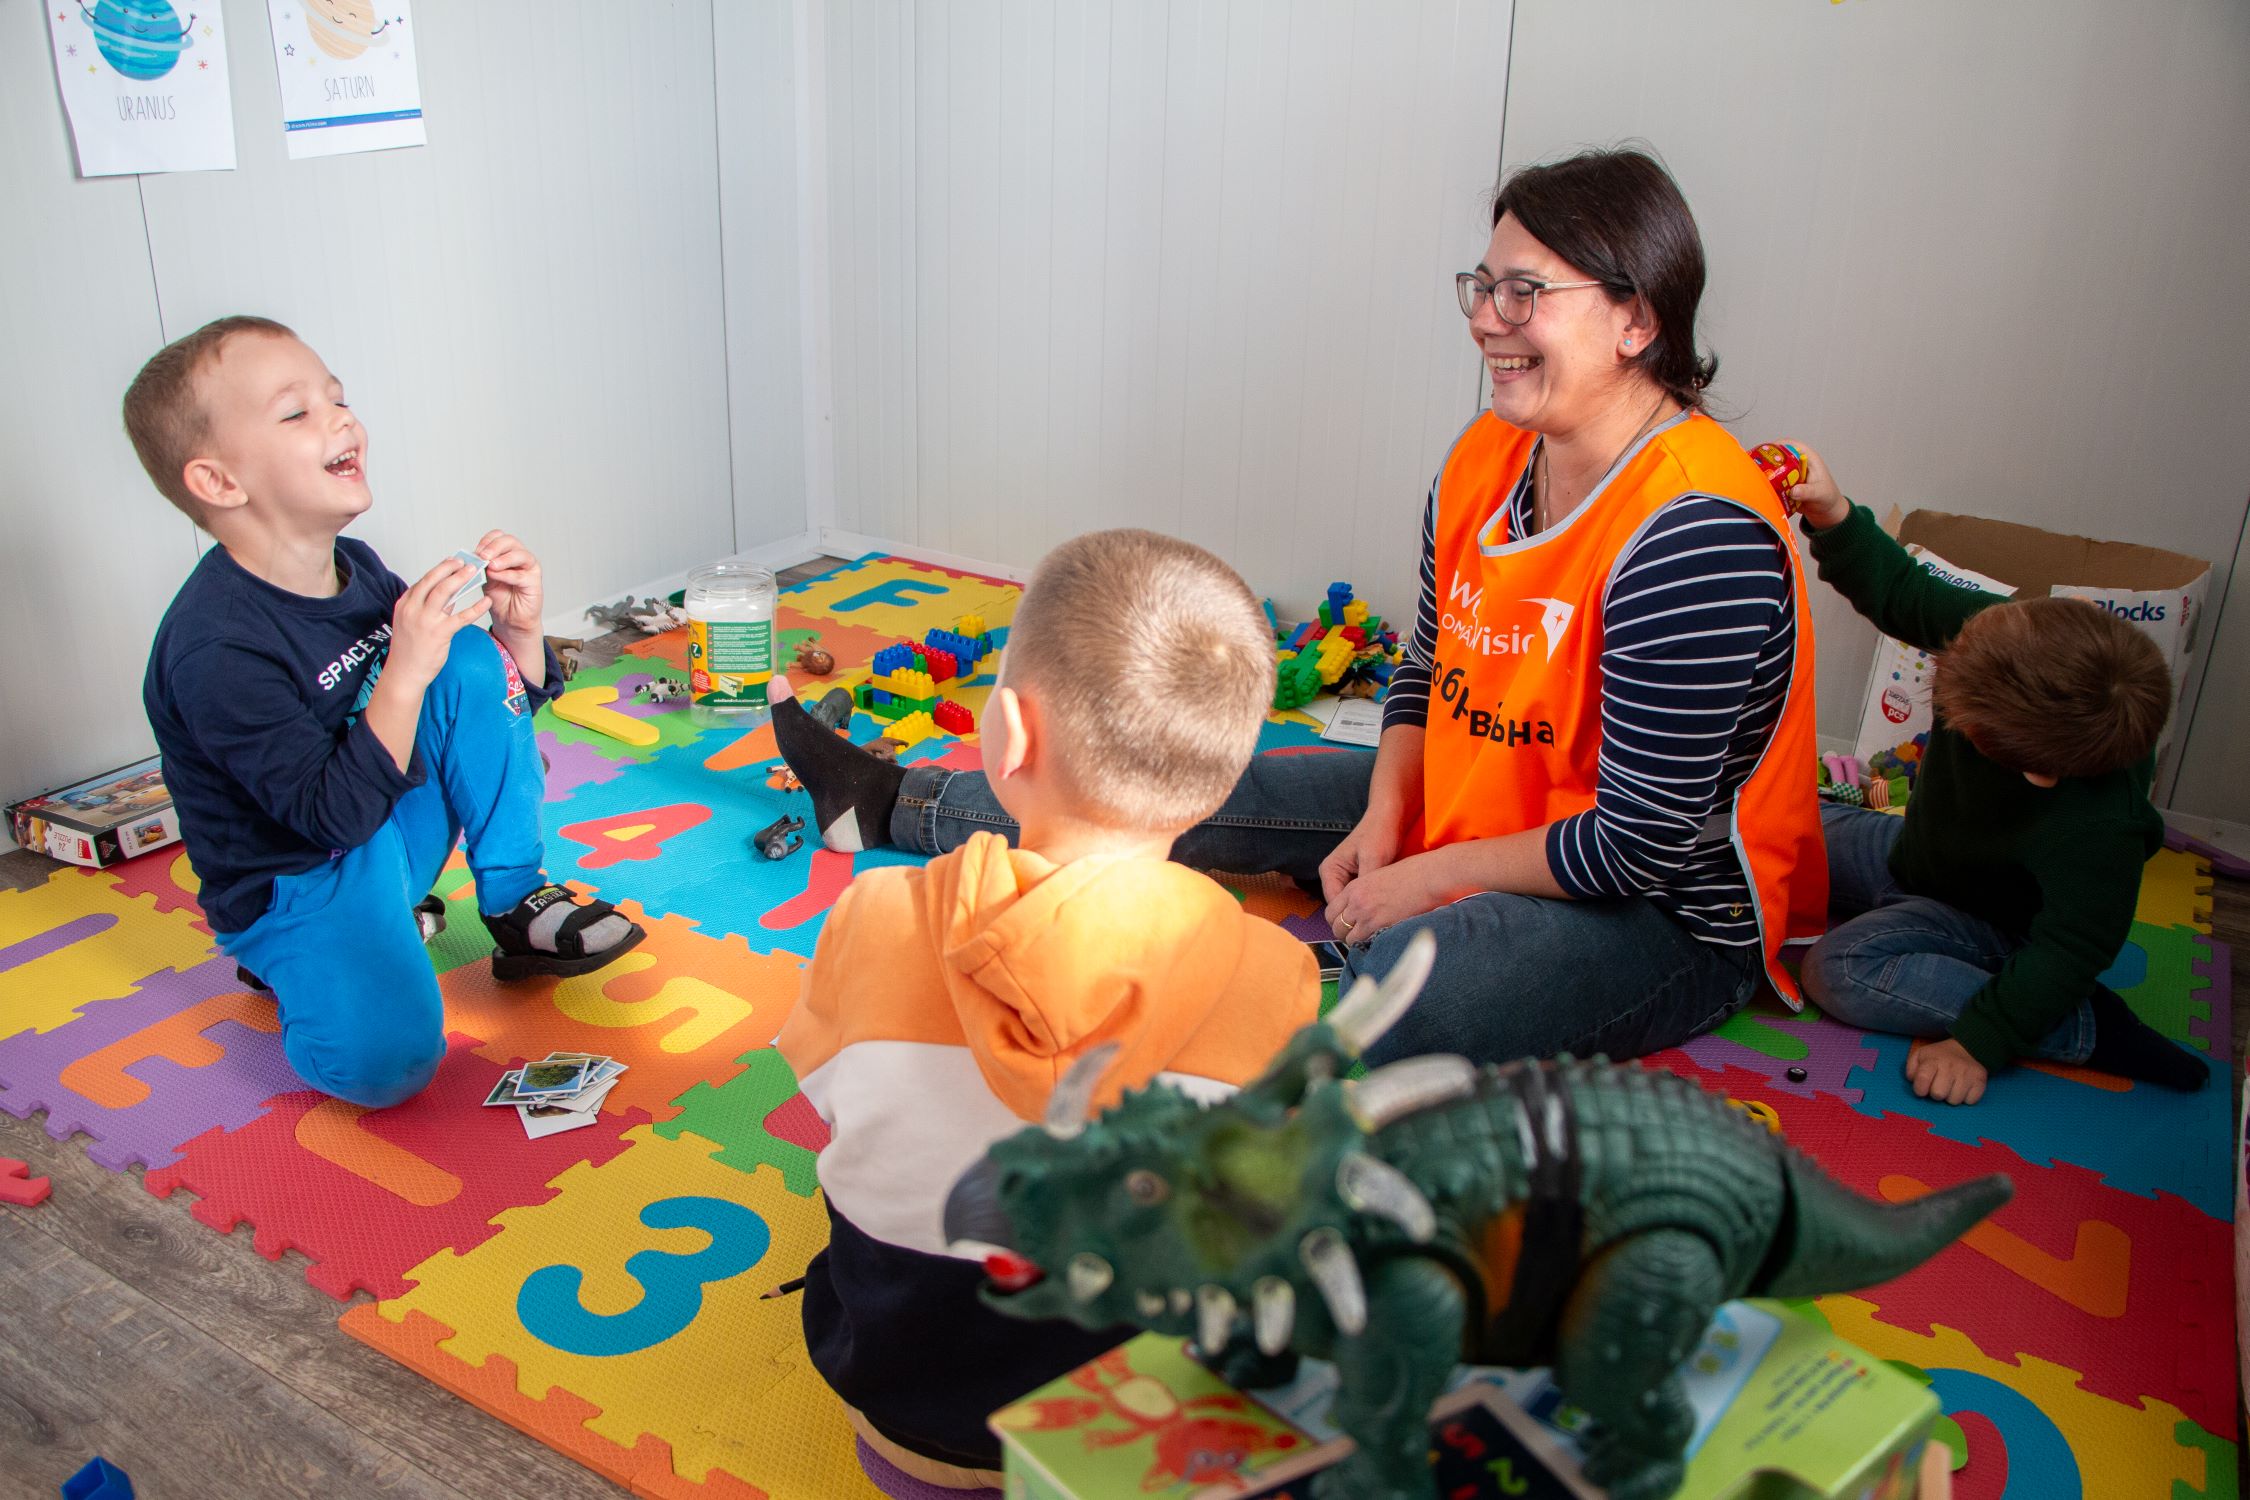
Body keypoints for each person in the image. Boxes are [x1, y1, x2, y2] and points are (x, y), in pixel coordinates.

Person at [774, 149, 1826, 1068]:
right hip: (1485, 807)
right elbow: (1428, 671)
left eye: (1523, 293)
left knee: (1432, 976)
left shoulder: (1696, 534)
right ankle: (893, 804)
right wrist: (1384, 817)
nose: (1483, 321)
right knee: (1199, 773)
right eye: (1480, 286)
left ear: (1636, 318)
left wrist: (1418, 881)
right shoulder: (1488, 459)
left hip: (1661, 917)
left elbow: (1637, 846)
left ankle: (1176, 1011)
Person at [773, 529, 1319, 1487]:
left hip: (910, 1424)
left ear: (1009, 735)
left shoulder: (874, 917)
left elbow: (825, 1097)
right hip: (1127, 1433)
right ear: (1227, 783)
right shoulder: (1277, 977)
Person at [131, 315, 645, 1109]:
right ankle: (290, 963)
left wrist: (519, 632)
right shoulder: (216, 651)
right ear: (220, 483)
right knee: (389, 1070)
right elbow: (327, 818)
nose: (340, 418)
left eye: (337, 398)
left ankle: (514, 899)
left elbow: (491, 709)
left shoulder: (356, 568)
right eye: (297, 412)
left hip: (387, 837)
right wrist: (406, 668)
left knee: (471, 657)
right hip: (300, 881)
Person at [1783, 448, 2206, 1104]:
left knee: (1837, 972)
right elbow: (1900, 591)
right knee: (1775, 828)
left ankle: (2082, 1026)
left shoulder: (2101, 829)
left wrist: (1982, 1039)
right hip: (1918, 857)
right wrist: (1835, 515)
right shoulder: (2001, 638)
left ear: (2037, 772)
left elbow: (2070, 949)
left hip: (1992, 922)